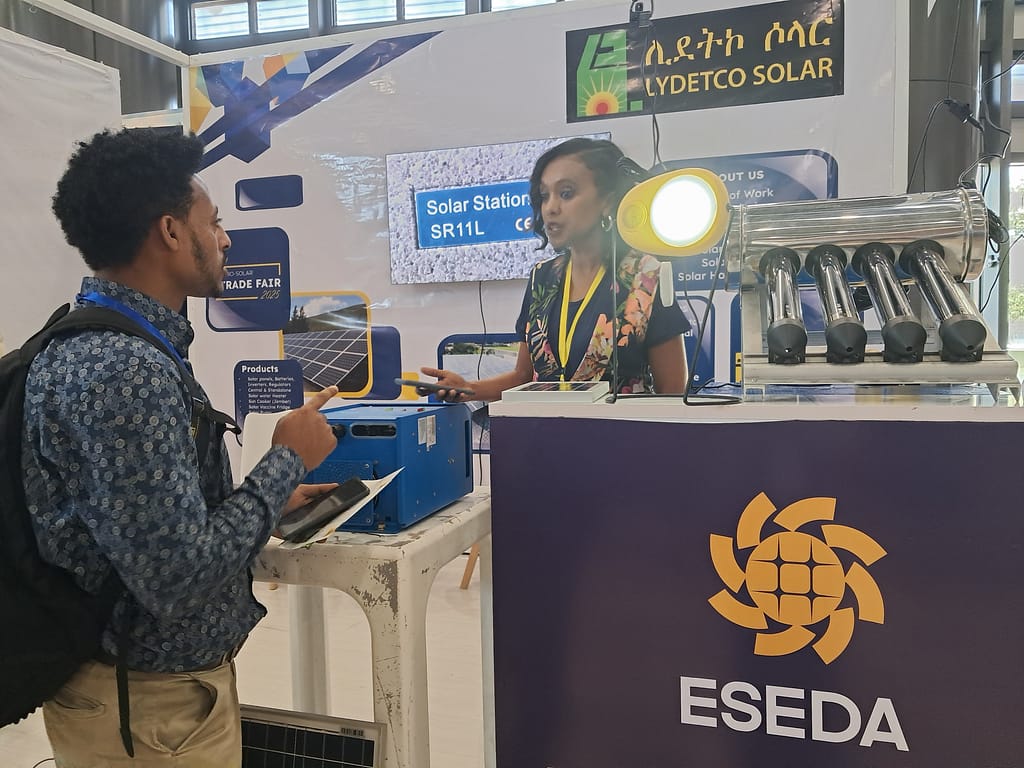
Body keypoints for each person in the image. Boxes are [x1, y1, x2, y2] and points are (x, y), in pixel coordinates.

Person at [23, 128, 339, 767]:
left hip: (148, 702)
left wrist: (265, 501)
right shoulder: (122, 368)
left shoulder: (116, 347)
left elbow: (143, 536)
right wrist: (286, 458)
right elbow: (175, 580)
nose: (224, 239)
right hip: (149, 715)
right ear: (171, 232)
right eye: (213, 222)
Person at [422, 137, 690, 400]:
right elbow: (523, 377)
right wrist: (467, 388)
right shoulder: (543, 277)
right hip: (547, 437)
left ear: (606, 201)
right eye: (544, 195)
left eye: (566, 193)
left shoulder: (645, 277)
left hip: (622, 439)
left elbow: (673, 388)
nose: (550, 208)